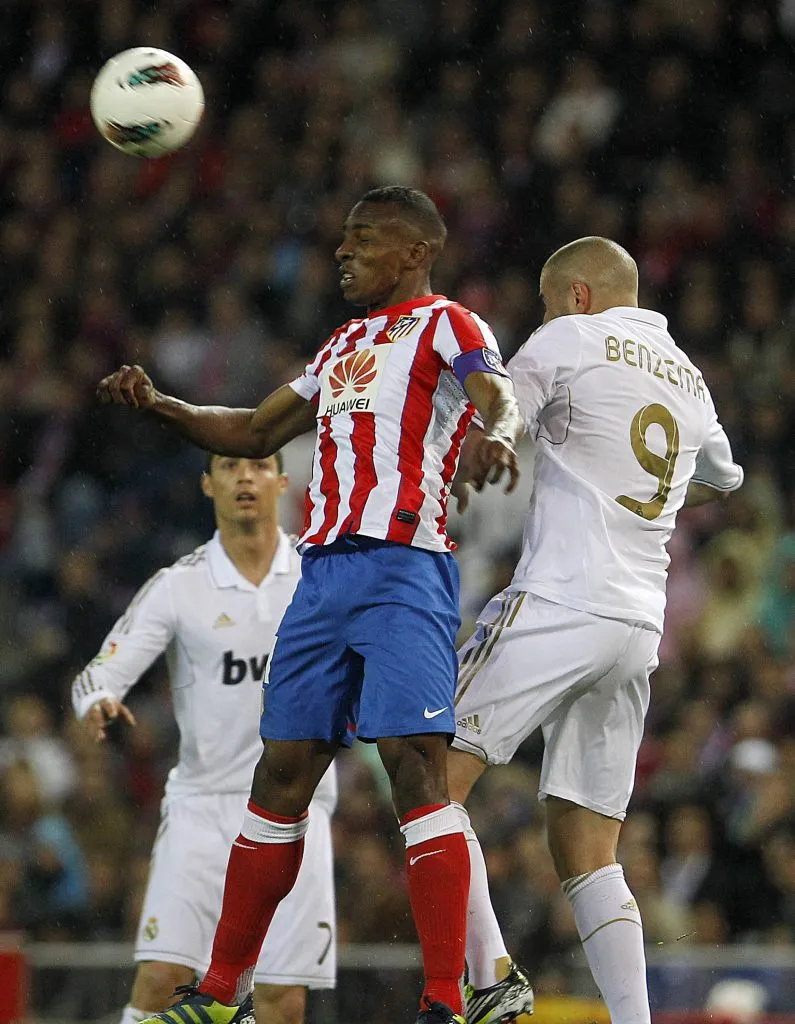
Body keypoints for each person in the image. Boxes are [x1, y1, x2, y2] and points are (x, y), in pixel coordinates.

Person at [97, 185, 524, 1024]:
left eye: (362, 238)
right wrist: (162, 406)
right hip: (321, 578)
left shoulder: (450, 324)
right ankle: (220, 993)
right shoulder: (341, 346)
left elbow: (493, 391)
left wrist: (497, 431)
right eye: (342, 239)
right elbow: (255, 431)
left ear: (414, 252)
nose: (343, 251)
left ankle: (445, 996)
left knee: (414, 772)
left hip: (404, 569)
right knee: (281, 775)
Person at [448, 237, 743, 1024]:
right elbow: (717, 478)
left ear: (576, 296)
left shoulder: (566, 338)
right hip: (634, 627)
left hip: (559, 598)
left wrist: (488, 444)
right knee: (587, 851)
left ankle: (490, 976)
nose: (543, 316)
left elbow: (498, 411)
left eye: (547, 303)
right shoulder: (687, 374)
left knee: (426, 773)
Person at [71, 452, 337, 1024]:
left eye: (260, 464)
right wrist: (98, 701)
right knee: (163, 979)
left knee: (282, 1001)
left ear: (283, 482)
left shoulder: (320, 575)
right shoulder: (179, 585)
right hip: (203, 810)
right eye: (229, 465)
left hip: (299, 812)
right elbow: (100, 672)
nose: (245, 476)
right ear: (207, 483)